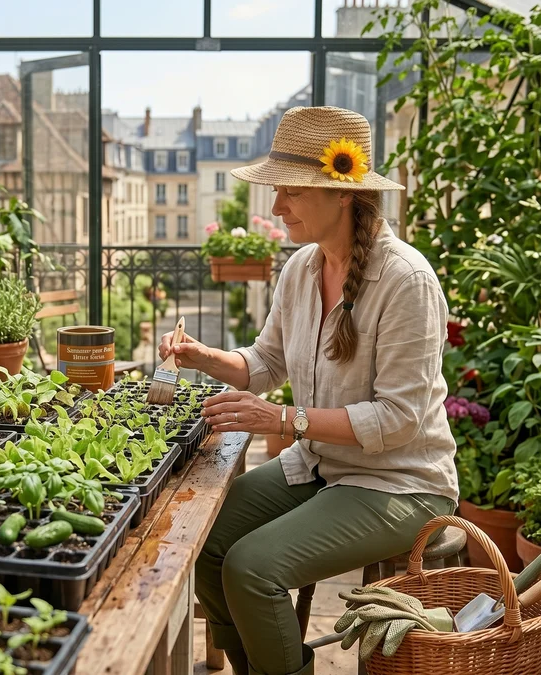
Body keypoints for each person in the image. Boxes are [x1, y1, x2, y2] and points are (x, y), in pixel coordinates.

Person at [160, 106, 458, 675]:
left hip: (399, 482)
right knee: (205, 539)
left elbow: (397, 419)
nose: (276, 208)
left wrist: (282, 420)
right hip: (322, 464)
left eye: (290, 192)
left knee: (252, 567)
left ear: (341, 193)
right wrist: (205, 357)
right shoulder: (300, 268)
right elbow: (266, 361)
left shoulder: (407, 281)